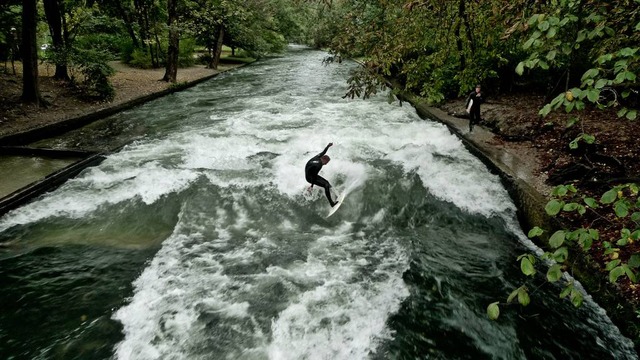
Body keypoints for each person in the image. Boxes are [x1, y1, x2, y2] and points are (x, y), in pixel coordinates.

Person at [305, 142, 338, 207]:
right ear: (324, 160)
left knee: (327, 183)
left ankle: (335, 195)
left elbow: (323, 152)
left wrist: (328, 146)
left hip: (310, 174)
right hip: (310, 177)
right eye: (326, 163)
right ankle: (331, 203)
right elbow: (314, 176)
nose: (326, 164)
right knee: (326, 185)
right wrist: (312, 186)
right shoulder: (319, 165)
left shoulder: (318, 157)